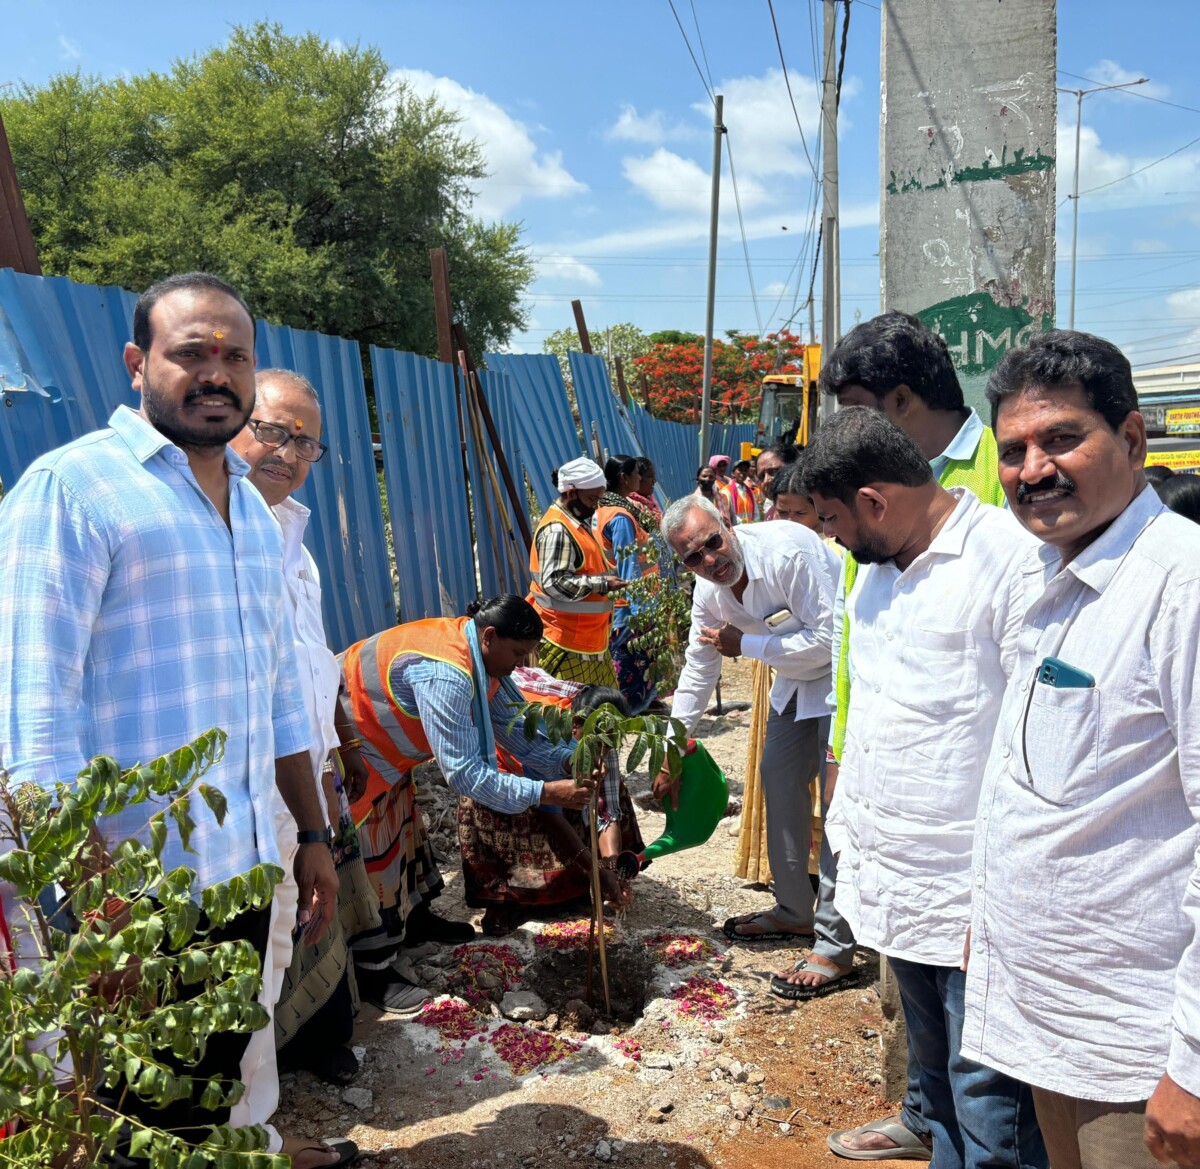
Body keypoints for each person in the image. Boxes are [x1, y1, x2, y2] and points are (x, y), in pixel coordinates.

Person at [0, 272, 338, 1156]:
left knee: (204, 1104)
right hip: (131, 900)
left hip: (240, 874)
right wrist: (93, 900)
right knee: (132, 1126)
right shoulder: (73, 492)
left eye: (235, 356)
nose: (216, 373)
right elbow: (29, 726)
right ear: (137, 362)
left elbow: (278, 697)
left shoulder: (256, 519)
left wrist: (312, 834)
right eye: (191, 352)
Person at [961, 330, 1200, 1169]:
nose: (1033, 469)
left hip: (1142, 1052)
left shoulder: (1182, 587)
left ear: (1131, 440)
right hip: (1050, 1018)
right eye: (1015, 449)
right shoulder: (1041, 579)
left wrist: (1195, 1066)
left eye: (1062, 438)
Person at [803, 408, 1045, 1169]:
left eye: (835, 520)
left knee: (990, 1101)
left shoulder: (1008, 560)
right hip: (901, 882)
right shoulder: (874, 579)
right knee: (937, 1082)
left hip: (976, 889)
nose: (834, 537)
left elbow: (1037, 740)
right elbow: (866, 704)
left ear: (874, 502)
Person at [228, 370, 374, 1167]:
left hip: (293, 796)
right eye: (271, 430)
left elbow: (307, 676)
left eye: (304, 440)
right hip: (226, 807)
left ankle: (257, 1137)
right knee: (228, 978)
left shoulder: (292, 538)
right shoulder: (208, 527)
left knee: (271, 963)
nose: (285, 451)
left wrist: (322, 779)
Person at [339, 595, 600, 978]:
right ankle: (375, 966)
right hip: (354, 751)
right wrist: (543, 792)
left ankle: (414, 923)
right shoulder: (448, 675)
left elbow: (518, 732)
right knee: (370, 857)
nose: (518, 667)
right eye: (516, 653)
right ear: (490, 636)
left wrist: (569, 759)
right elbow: (464, 774)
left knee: (399, 837)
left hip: (387, 755)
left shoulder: (483, 660)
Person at [653, 495, 837, 942]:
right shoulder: (708, 592)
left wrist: (747, 646)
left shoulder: (788, 552)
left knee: (838, 803)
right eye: (693, 558)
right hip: (794, 684)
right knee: (778, 778)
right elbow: (699, 668)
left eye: (712, 543)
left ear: (728, 523)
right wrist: (671, 749)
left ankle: (836, 934)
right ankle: (795, 909)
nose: (710, 560)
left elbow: (833, 639)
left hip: (843, 681)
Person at [460, 673, 641, 934]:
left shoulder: (603, 734)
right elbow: (549, 812)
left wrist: (609, 867)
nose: (604, 752)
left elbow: (606, 810)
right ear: (576, 726)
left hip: (554, 785)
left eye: (611, 746)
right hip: (510, 780)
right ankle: (508, 898)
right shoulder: (548, 734)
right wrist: (593, 868)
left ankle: (581, 884)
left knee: (614, 789)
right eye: (599, 746)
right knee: (511, 809)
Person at [527, 458, 626, 687]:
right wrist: (602, 585)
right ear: (571, 493)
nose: (595, 506)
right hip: (566, 643)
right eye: (592, 499)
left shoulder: (575, 523)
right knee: (575, 716)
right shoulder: (558, 530)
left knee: (603, 713)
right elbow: (554, 583)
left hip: (586, 641)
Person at [594, 456, 661, 714]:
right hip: (628, 606)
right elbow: (627, 563)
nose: (640, 479)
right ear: (624, 478)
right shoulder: (621, 516)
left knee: (622, 661)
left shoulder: (601, 511)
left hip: (615, 603)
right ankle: (626, 712)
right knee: (630, 662)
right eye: (636, 475)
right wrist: (640, 610)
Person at [755, 440, 801, 520]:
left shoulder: (814, 509)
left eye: (774, 471)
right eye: (762, 476)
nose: (766, 480)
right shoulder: (770, 514)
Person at [628, 456, 663, 527]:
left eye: (654, 476)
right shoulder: (632, 507)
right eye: (650, 477)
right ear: (637, 478)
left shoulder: (649, 500)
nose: (654, 481)